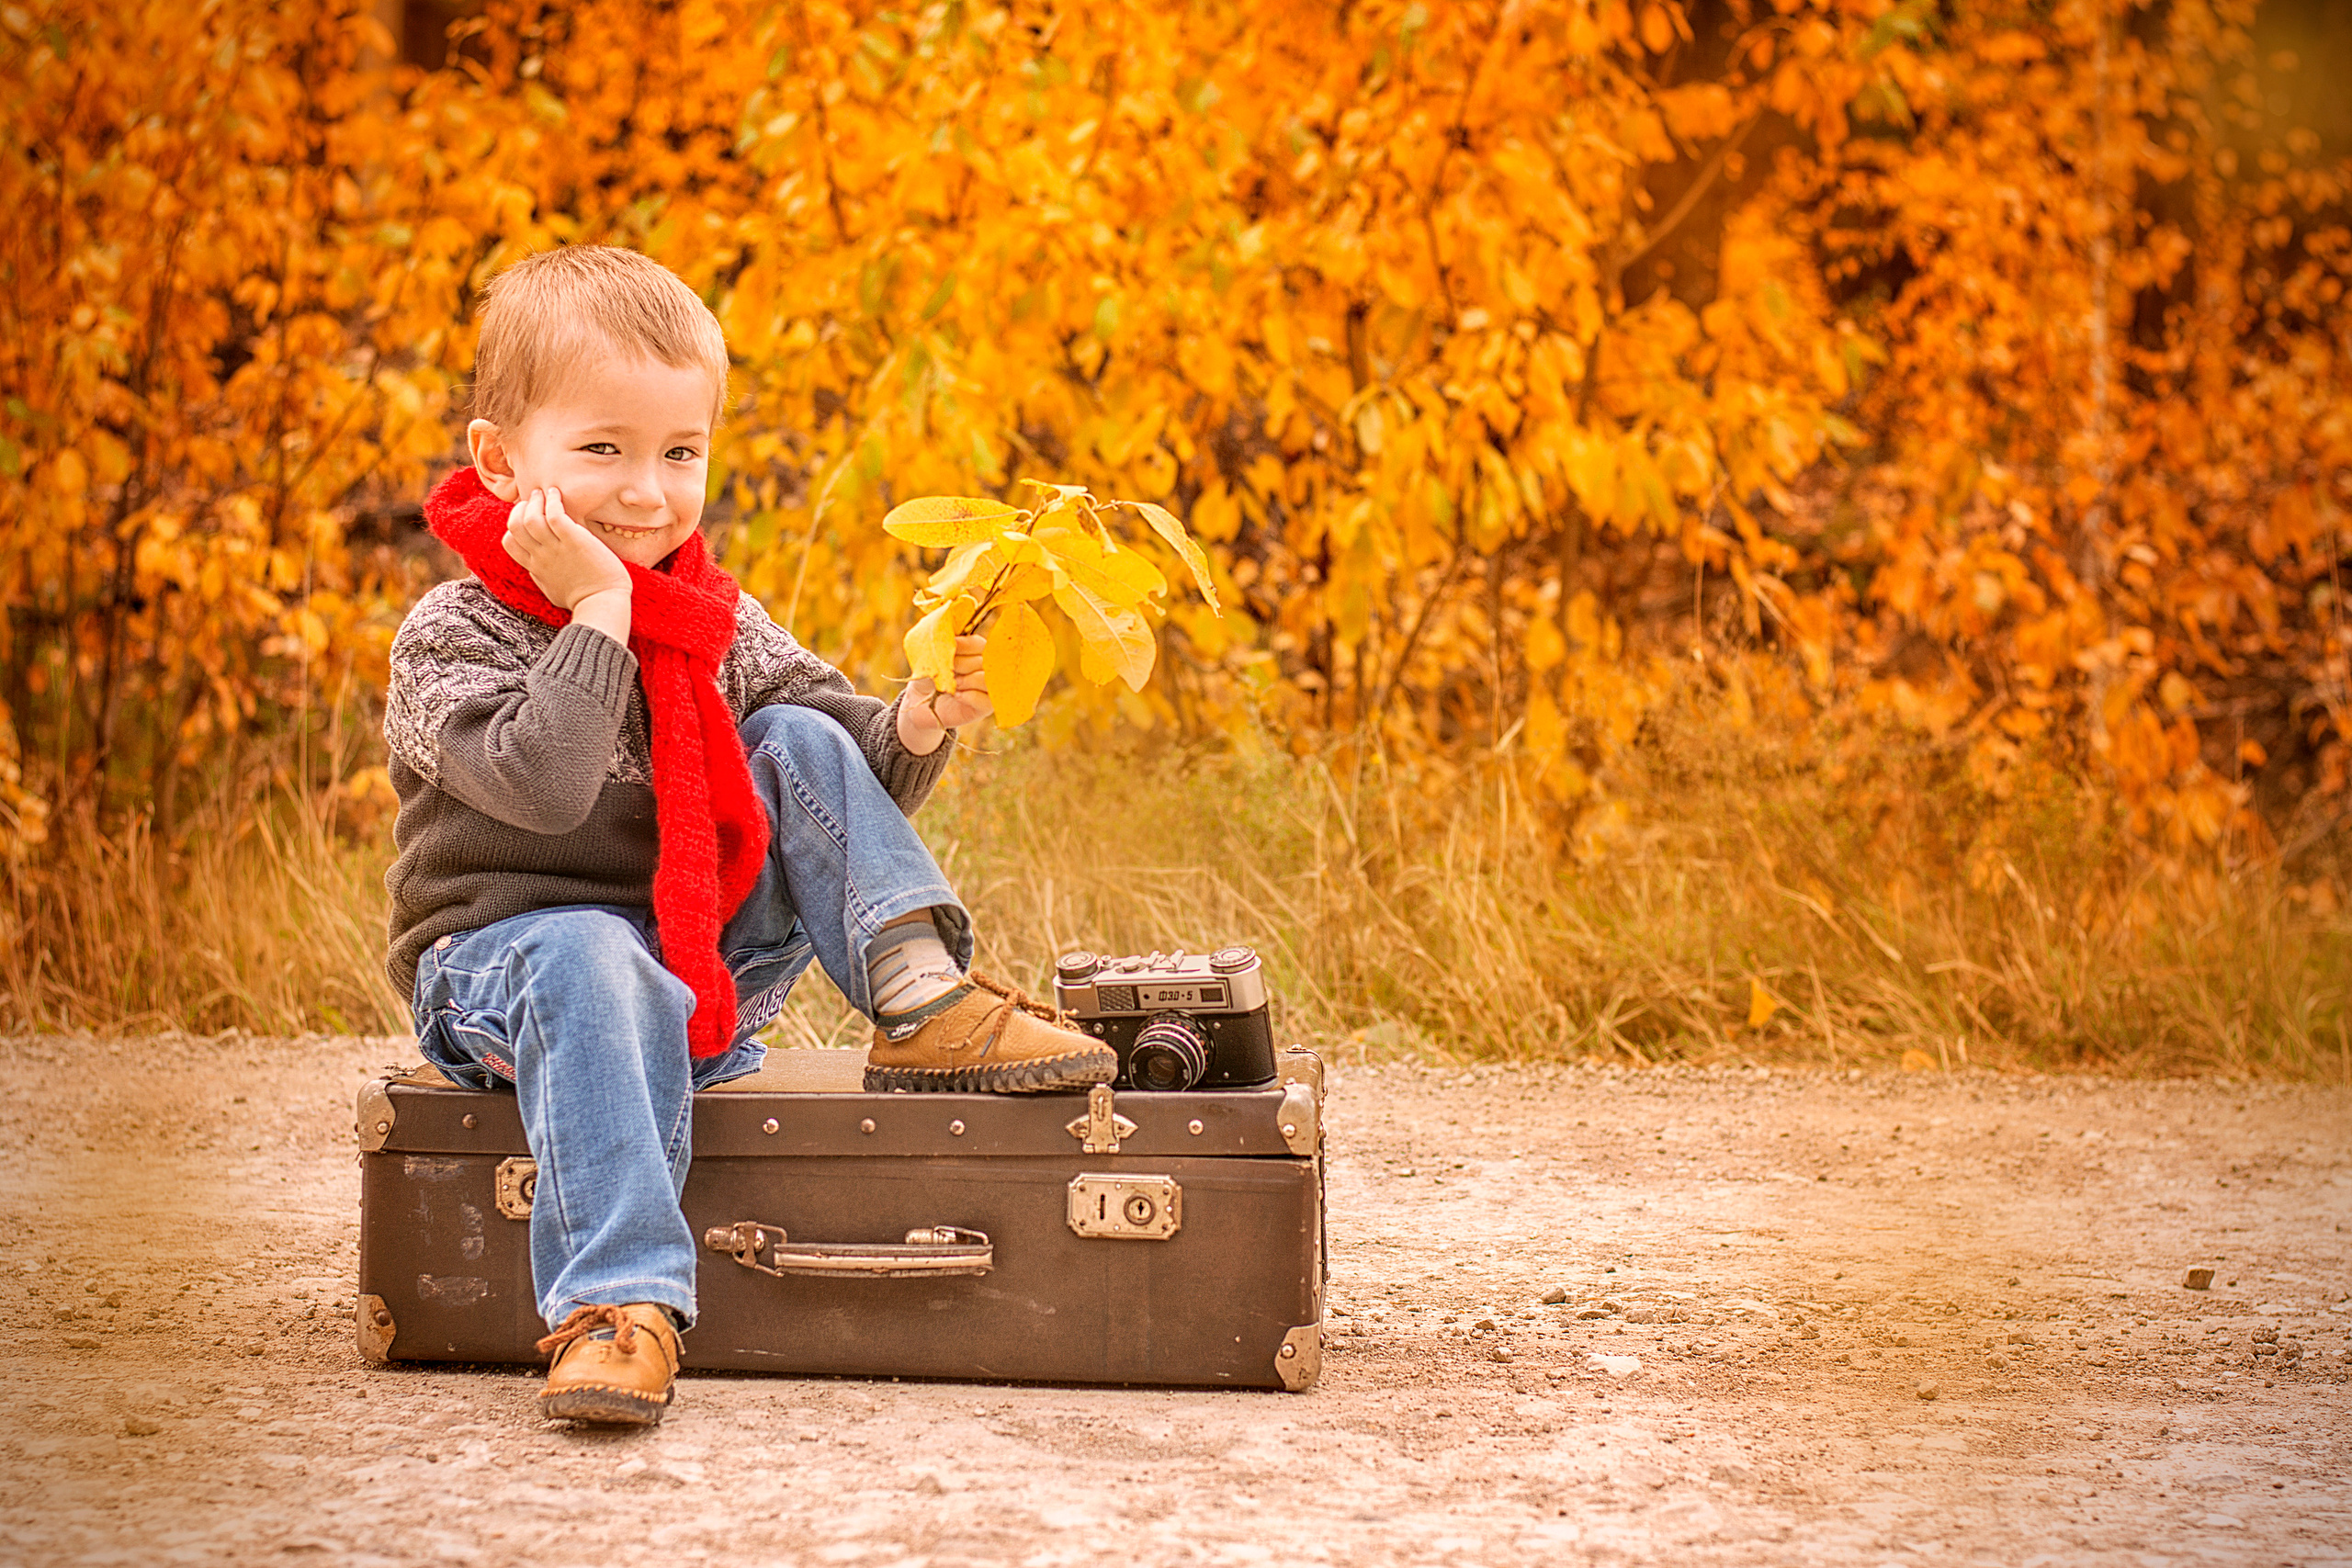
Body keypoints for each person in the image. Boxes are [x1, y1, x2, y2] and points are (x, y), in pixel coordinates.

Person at [381, 244, 1114, 1427]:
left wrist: (916, 718)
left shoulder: (717, 618)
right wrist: (601, 613)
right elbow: (548, 783)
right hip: (512, 985)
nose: (647, 491)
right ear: (500, 460)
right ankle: (618, 1308)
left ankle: (919, 995)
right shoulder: (449, 635)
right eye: (602, 449)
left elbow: (840, 779)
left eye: (680, 453)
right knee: (584, 951)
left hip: (695, 983)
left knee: (793, 732)